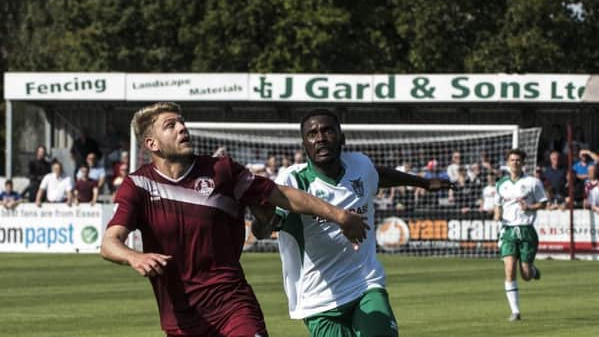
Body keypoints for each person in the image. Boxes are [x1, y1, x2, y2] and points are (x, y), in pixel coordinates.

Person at [100, 102, 367, 337]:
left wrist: (340, 216)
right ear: (152, 144)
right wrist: (134, 257)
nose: (182, 128)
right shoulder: (138, 185)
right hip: (180, 318)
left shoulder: (221, 170)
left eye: (182, 122)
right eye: (171, 125)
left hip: (233, 305)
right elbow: (109, 243)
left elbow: (283, 195)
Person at [251, 109, 452, 337]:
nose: (320, 138)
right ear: (304, 144)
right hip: (319, 299)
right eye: (312, 134)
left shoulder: (360, 165)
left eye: (327, 131)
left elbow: (379, 175)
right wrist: (261, 219)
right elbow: (264, 229)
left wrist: (424, 183)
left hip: (365, 283)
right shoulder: (293, 181)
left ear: (342, 136)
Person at [493, 148, 547, 322]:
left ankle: (532, 269)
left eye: (518, 160)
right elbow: (498, 204)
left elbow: (543, 203)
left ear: (523, 163)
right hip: (508, 230)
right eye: (512, 160)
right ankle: (515, 312)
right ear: (508, 163)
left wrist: (530, 207)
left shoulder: (533, 182)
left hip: (526, 230)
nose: (514, 162)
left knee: (525, 274)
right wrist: (497, 214)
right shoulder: (501, 183)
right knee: (509, 270)